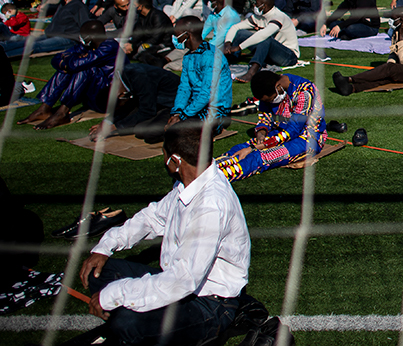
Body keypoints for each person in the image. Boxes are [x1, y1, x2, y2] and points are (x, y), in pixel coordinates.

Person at [79, 123, 251, 346]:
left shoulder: (211, 206)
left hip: (210, 303)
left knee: (127, 321)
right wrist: (105, 246)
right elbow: (152, 218)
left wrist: (116, 294)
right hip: (181, 283)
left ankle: (142, 331)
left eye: (164, 154)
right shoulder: (190, 184)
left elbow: (184, 280)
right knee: (100, 272)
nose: (163, 159)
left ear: (176, 160)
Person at [214, 71, 326, 181]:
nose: (271, 102)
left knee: (263, 156)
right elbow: (265, 117)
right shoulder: (271, 89)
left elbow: (293, 130)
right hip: (282, 132)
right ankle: (210, 168)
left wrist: (254, 148)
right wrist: (261, 133)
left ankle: (219, 177)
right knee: (240, 148)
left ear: (278, 87)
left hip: (307, 138)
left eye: (271, 99)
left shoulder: (305, 92)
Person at [20, 20, 120, 130]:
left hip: (108, 97)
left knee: (85, 69)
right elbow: (57, 58)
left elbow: (75, 64)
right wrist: (67, 62)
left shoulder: (109, 46)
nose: (81, 38)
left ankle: (63, 112)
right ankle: (45, 107)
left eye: (83, 35)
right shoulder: (87, 46)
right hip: (92, 96)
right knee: (65, 69)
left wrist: (69, 60)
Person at [332, 5, 403, 95]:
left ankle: (349, 79)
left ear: (402, 21)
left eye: (393, 19)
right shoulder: (398, 30)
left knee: (390, 71)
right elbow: (393, 53)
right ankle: (351, 88)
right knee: (387, 76)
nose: (390, 21)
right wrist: (390, 64)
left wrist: (400, 39)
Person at [223, 0, 300, 84]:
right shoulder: (260, 16)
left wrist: (239, 47)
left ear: (264, 6)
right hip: (270, 52)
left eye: (257, 4)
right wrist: (227, 43)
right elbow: (235, 27)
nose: (254, 6)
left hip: (288, 56)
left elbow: (263, 35)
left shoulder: (279, 16)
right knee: (241, 33)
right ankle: (226, 60)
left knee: (265, 39)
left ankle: (252, 71)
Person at [3, 0, 89, 58]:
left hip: (67, 38)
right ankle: (3, 48)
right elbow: (53, 8)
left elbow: (86, 23)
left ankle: (6, 55)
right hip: (52, 34)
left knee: (34, 45)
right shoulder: (64, 5)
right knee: (28, 40)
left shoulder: (79, 7)